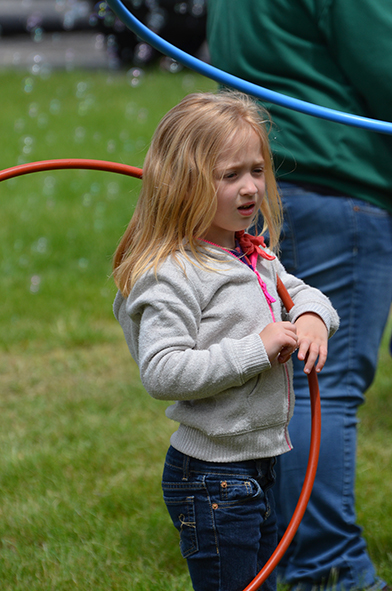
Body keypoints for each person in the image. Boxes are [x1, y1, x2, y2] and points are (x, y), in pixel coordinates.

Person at [112, 92, 339, 591]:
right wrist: (257, 349)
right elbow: (163, 371)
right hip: (211, 479)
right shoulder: (171, 273)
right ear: (184, 182)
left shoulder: (251, 255)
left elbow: (304, 294)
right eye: (230, 175)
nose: (250, 188)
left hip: (259, 466)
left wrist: (314, 318)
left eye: (257, 170)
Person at [207, 3, 392, 591]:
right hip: (339, 178)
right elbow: (385, 67)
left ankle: (278, 548)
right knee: (323, 382)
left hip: (270, 178)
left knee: (287, 373)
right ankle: (326, 566)